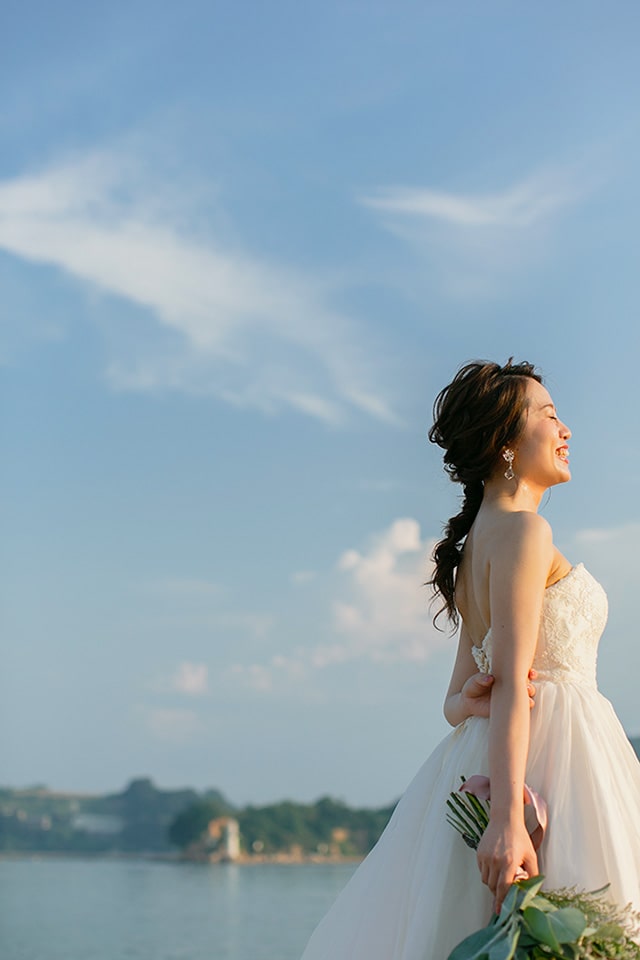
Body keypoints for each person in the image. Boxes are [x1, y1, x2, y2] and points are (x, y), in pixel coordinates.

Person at [300, 359, 640, 960]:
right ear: (505, 442)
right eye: (550, 416)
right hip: (547, 763)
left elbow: (458, 699)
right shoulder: (526, 533)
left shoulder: (476, 545)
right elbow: (508, 681)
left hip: (485, 756)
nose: (566, 431)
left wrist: (475, 697)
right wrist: (508, 820)